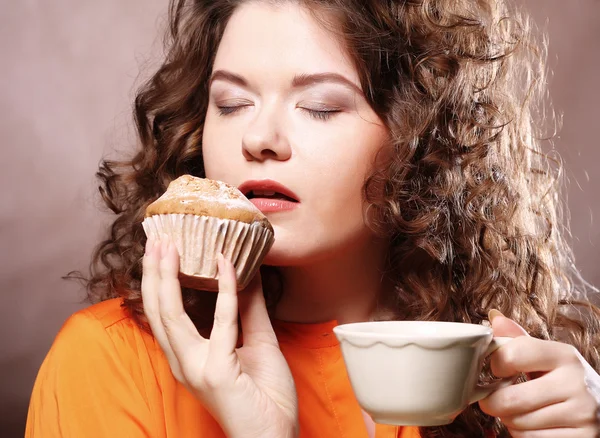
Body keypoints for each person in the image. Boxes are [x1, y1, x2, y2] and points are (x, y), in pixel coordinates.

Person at [25, 0, 600, 437]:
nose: (259, 138)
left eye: (318, 107)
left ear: (422, 137)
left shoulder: (519, 378)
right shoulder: (109, 361)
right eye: (230, 104)